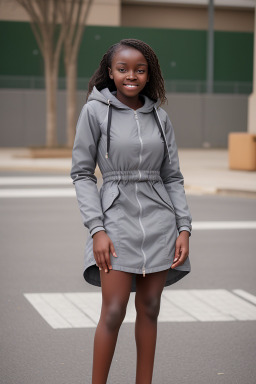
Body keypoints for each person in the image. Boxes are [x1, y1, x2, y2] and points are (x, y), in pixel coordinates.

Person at [70, 38, 192, 384]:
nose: (131, 76)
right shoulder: (94, 111)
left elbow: (173, 176)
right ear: (110, 72)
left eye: (140, 69)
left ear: (148, 73)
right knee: (113, 310)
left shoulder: (160, 117)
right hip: (115, 221)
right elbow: (81, 173)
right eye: (122, 69)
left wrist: (184, 227)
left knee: (150, 309)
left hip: (160, 222)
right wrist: (97, 229)